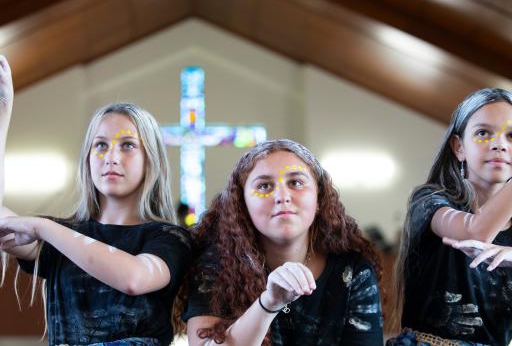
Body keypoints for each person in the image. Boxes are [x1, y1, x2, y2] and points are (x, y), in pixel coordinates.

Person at [0, 55, 192, 346]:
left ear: (150, 159)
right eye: (100, 145)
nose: (111, 157)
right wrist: (2, 117)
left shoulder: (171, 238)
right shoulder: (58, 235)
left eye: (127, 145)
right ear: (87, 158)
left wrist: (43, 228)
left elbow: (134, 278)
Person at [389, 88, 512, 345]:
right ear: (459, 147)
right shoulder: (430, 201)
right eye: (483, 133)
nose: (499, 144)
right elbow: (477, 231)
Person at [175, 139, 383, 345]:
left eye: (296, 182)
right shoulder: (216, 265)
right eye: (264, 186)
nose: (282, 196)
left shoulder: (353, 270)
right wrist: (269, 303)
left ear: (319, 199)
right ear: (242, 204)